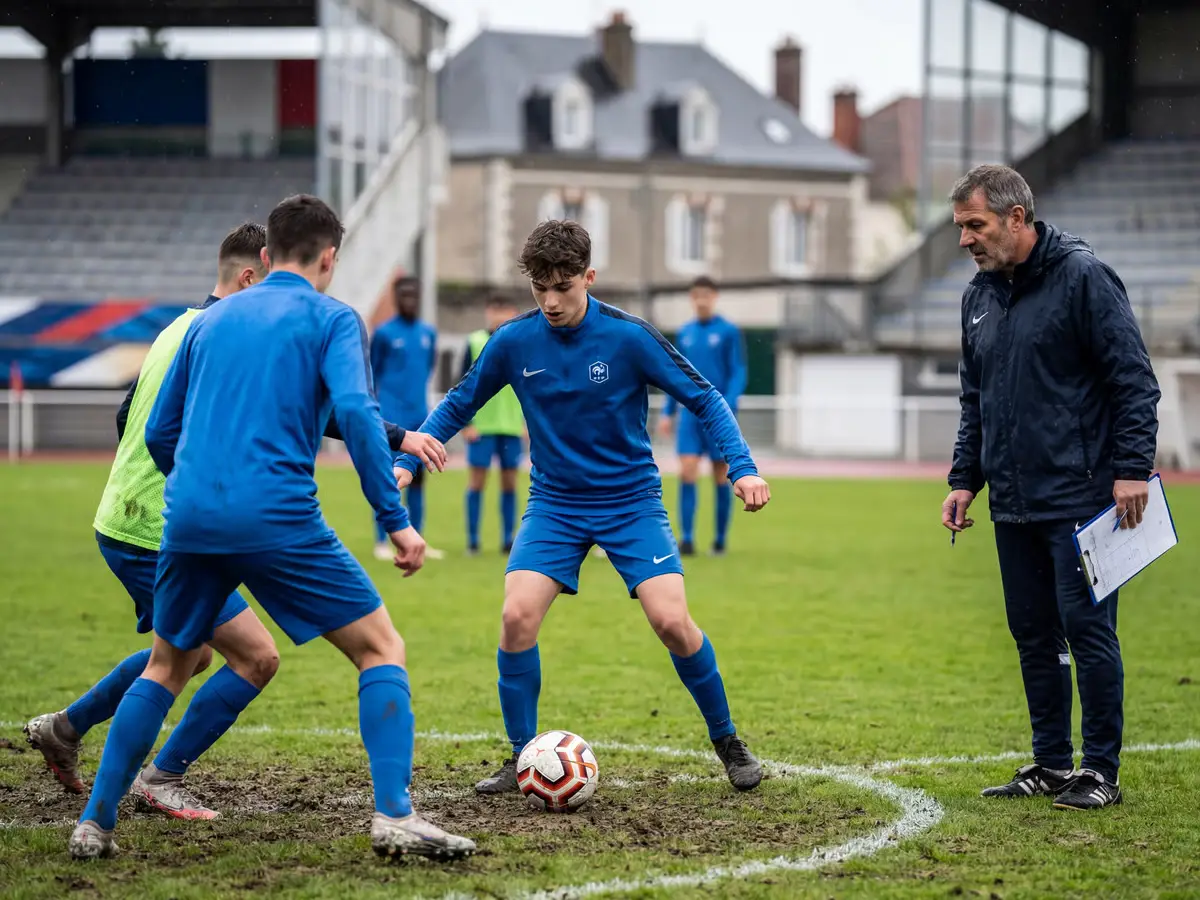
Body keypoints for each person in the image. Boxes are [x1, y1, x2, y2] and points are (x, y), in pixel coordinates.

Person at [67, 195, 474, 861]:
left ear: (265, 255)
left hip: (190, 516)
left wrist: (199, 491)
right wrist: (395, 521)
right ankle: (395, 816)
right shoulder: (335, 319)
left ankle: (95, 823)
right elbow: (355, 411)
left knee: (168, 667)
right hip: (279, 517)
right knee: (380, 647)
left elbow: (163, 432)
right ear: (329, 258)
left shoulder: (211, 319)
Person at [394, 220, 772, 796]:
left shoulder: (630, 337)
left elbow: (705, 396)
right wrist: (409, 457)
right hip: (555, 504)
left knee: (671, 621)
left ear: (589, 278)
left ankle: (727, 740)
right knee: (516, 617)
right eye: (540, 288)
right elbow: (459, 402)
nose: (550, 301)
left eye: (563, 287)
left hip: (630, 502)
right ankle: (523, 756)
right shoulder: (513, 342)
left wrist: (742, 467)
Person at [942, 164, 1160, 811]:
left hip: (1083, 495)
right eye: (959, 228)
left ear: (1017, 218)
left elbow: (1133, 381)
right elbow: (974, 400)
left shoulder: (1085, 279)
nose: (964, 240)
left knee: (1087, 630)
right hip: (1013, 500)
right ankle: (1051, 763)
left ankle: (1100, 770)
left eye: (974, 225)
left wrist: (1129, 468)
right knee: (1033, 633)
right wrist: (963, 480)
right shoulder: (978, 296)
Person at [656, 276, 747, 556]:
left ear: (715, 297)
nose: (701, 300)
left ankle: (719, 540)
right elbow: (675, 376)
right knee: (686, 472)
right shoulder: (685, 333)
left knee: (721, 476)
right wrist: (668, 412)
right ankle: (687, 538)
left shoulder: (729, 331)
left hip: (717, 416)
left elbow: (738, 371)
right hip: (690, 418)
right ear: (691, 299)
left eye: (706, 295)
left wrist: (727, 405)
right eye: (696, 295)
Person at [370, 275, 441, 560]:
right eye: (405, 295)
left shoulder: (428, 333)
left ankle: (418, 537)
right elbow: (372, 372)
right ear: (397, 298)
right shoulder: (384, 333)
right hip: (390, 417)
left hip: (419, 417)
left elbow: (428, 367)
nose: (410, 300)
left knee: (419, 480)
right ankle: (382, 541)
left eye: (415, 295)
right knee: (388, 479)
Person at [460, 294, 526, 554]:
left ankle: (507, 539)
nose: (499, 316)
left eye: (505, 310)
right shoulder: (475, 341)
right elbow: (461, 384)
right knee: (477, 481)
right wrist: (467, 424)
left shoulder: (521, 344)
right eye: (495, 310)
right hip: (482, 426)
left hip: (511, 425)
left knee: (510, 483)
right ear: (488, 312)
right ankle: (473, 540)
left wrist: (525, 422)